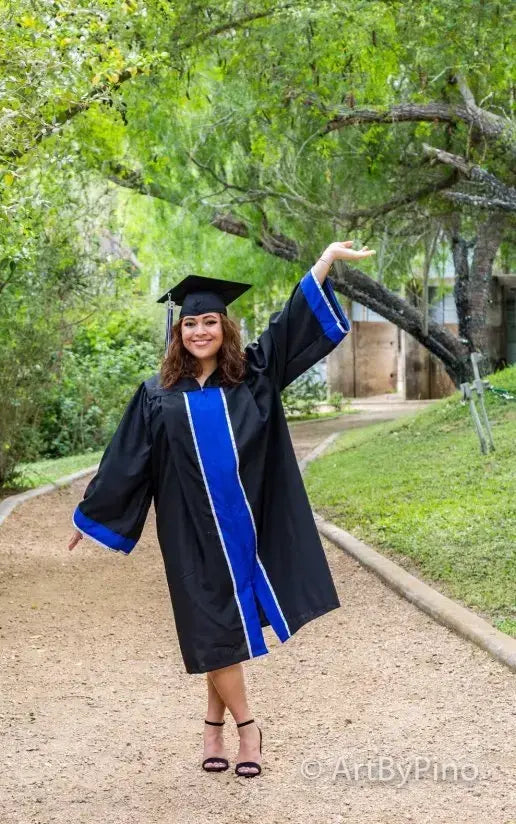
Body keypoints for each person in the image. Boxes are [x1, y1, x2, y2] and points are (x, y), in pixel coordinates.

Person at [67, 240, 375, 777]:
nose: (200, 331)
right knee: (210, 626)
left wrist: (324, 260)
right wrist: (92, 511)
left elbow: (290, 322)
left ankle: (215, 728)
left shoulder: (254, 374)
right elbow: (128, 458)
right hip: (188, 533)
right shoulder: (157, 392)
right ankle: (248, 729)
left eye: (209, 322)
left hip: (246, 526)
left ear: (224, 327)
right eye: (190, 325)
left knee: (220, 629)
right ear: (178, 332)